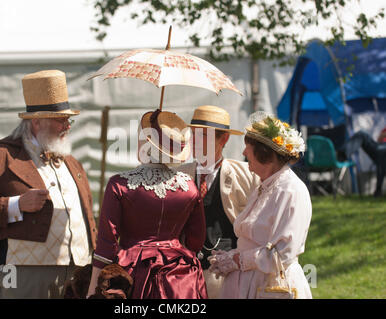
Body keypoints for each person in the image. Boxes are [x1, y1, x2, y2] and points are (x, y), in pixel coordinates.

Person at [0, 70, 97, 299]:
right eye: (61, 120)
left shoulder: (71, 162)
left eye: (68, 119)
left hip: (77, 268)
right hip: (23, 271)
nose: (68, 126)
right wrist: (16, 204)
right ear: (37, 122)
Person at [87, 109, 207, 299]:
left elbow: (106, 245)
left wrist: (93, 289)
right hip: (180, 278)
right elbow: (196, 240)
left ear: (145, 143)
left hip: (132, 274)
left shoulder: (120, 185)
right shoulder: (190, 187)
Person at [208, 111, 312, 299]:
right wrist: (230, 257)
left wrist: (238, 260)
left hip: (271, 287)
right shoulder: (263, 186)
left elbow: (282, 255)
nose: (243, 153)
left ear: (264, 153)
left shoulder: (290, 190)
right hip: (247, 283)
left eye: (248, 146)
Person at [182, 105, 260, 298]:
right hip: (185, 274)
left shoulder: (246, 176)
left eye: (204, 136)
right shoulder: (180, 175)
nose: (196, 142)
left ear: (223, 139)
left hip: (227, 275)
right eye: (193, 135)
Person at [343, 129, 386, 196]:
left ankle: (378, 189)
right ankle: (343, 154)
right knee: (361, 133)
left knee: (382, 156)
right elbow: (379, 139)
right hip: (378, 147)